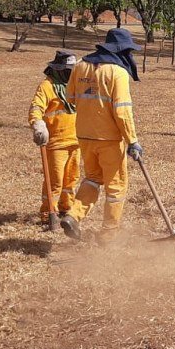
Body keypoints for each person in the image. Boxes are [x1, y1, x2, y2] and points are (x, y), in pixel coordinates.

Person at [62, 28, 143, 243]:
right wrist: (132, 141)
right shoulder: (117, 73)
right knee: (116, 187)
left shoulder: (79, 66)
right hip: (109, 139)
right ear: (122, 50)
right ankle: (108, 235)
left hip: (84, 136)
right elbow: (123, 111)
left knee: (93, 179)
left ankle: (73, 215)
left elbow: (70, 98)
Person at [28, 50, 80, 230]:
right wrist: (38, 124)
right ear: (58, 69)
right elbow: (36, 107)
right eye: (68, 70)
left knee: (72, 179)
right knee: (55, 181)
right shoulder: (47, 86)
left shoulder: (75, 85)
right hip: (56, 143)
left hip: (75, 140)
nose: (71, 73)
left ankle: (66, 209)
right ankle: (48, 213)